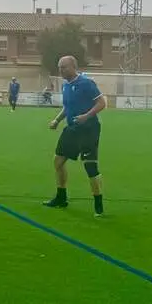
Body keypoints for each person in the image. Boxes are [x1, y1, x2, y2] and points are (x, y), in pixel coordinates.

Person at [44, 55, 107, 216]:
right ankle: (61, 198)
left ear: (73, 67)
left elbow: (102, 103)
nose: (61, 70)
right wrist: (57, 120)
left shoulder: (86, 83)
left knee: (90, 166)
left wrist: (86, 116)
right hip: (72, 128)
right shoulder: (65, 86)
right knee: (58, 161)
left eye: (63, 67)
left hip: (89, 129)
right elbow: (67, 107)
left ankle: (98, 205)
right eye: (59, 67)